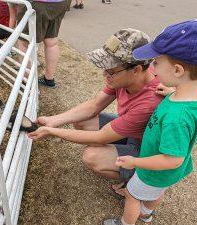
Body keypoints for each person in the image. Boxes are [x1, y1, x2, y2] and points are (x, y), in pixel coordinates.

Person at [103, 19, 197, 225]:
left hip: (153, 171)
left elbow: (172, 159)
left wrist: (134, 162)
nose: (152, 68)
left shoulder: (177, 118)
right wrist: (173, 91)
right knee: (156, 193)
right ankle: (146, 214)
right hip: (166, 176)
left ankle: (125, 222)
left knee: (131, 195)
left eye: (156, 62)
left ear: (178, 71)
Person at [28, 29, 163, 187]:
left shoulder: (149, 102)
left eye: (110, 71)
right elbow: (94, 106)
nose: (104, 75)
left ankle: (137, 182)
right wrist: (53, 120)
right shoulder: (128, 77)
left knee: (91, 156)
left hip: (147, 150)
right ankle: (120, 154)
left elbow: (101, 137)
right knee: (83, 122)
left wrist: (52, 131)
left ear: (136, 70)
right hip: (135, 133)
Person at [17, 0, 69, 87]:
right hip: (61, 3)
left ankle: (26, 81)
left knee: (24, 42)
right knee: (51, 41)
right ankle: (49, 79)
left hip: (37, 3)